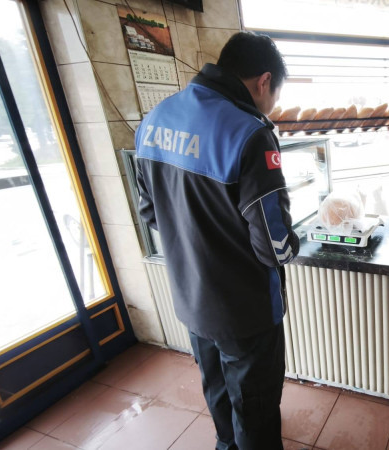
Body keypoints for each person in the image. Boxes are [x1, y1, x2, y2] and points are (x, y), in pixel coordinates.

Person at [135, 31, 299, 450]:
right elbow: (273, 246)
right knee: (256, 408)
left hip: (191, 300)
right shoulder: (250, 134)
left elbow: (150, 212)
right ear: (263, 81)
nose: (271, 105)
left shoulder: (154, 120)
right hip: (244, 311)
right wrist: (295, 245)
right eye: (274, 95)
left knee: (220, 395)